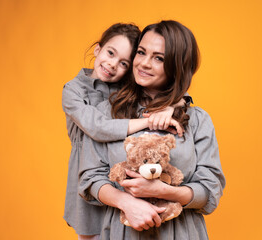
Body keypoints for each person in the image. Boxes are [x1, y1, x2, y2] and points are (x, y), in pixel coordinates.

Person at [79, 20, 226, 240]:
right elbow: (90, 178)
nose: (144, 64)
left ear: (178, 66)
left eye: (159, 58)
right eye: (141, 52)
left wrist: (165, 192)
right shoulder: (106, 112)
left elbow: (210, 188)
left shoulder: (197, 120)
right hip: (121, 232)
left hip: (182, 233)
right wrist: (126, 202)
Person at [62, 23, 189, 240]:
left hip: (118, 169)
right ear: (97, 49)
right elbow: (97, 127)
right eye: (110, 53)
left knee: (119, 226)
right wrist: (145, 123)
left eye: (123, 63)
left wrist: (173, 106)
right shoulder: (73, 90)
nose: (112, 65)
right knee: (90, 231)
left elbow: (174, 94)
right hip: (88, 168)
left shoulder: (125, 88)